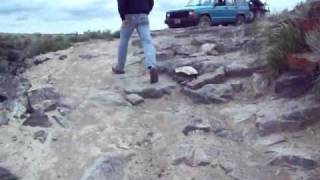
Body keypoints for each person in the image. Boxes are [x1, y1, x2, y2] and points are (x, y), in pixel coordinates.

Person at [113, 0, 158, 84]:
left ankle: (120, 67)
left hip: (129, 16)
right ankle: (152, 66)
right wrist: (146, 11)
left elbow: (121, 2)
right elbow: (151, 2)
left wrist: (123, 17)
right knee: (147, 41)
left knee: (123, 41)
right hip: (143, 15)